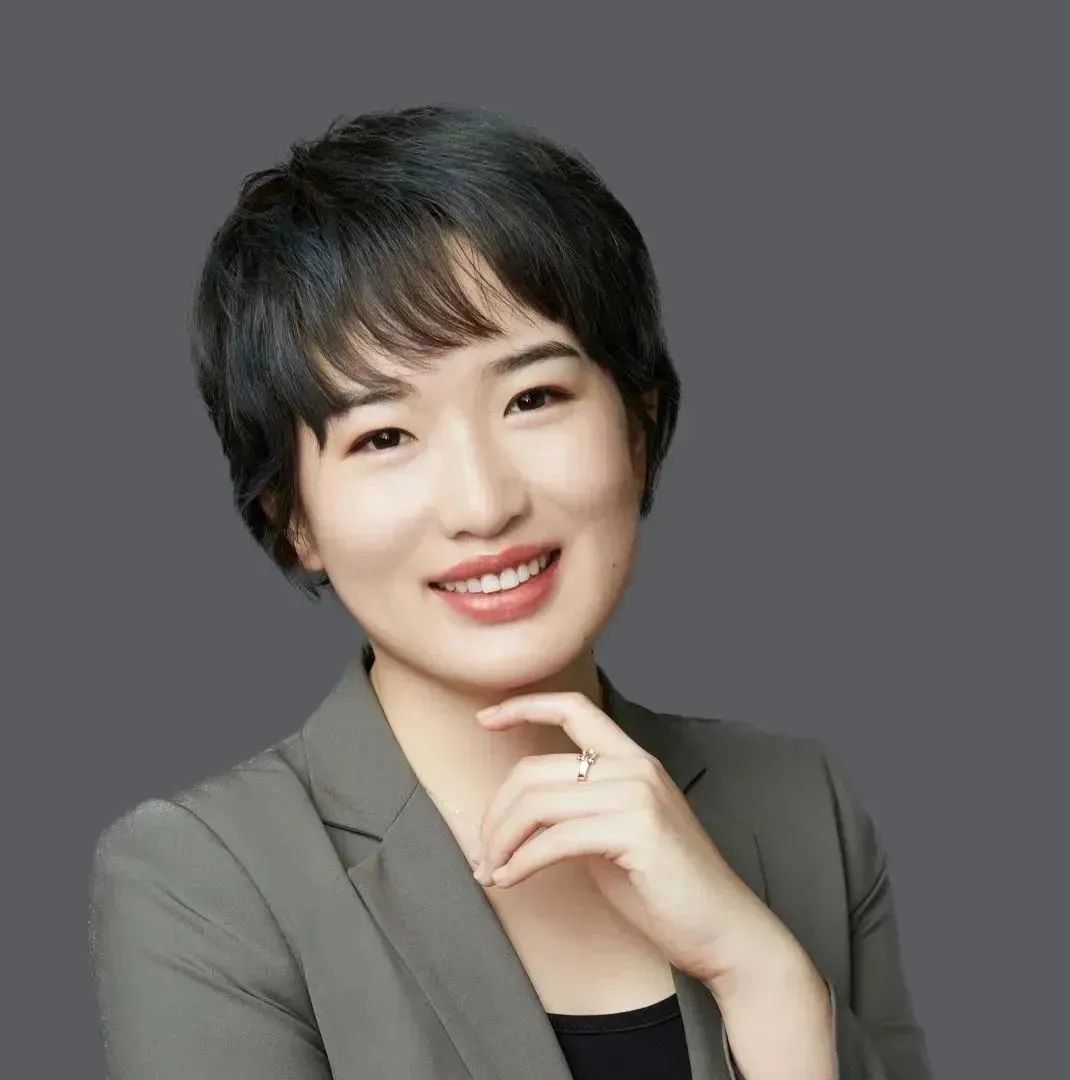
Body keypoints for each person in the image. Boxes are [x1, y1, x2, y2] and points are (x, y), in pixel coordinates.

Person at [88, 103, 933, 1080]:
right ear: (294, 517)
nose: (483, 504)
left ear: (638, 427)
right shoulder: (204, 878)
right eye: (384, 436)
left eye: (532, 398)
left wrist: (764, 977)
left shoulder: (802, 808)